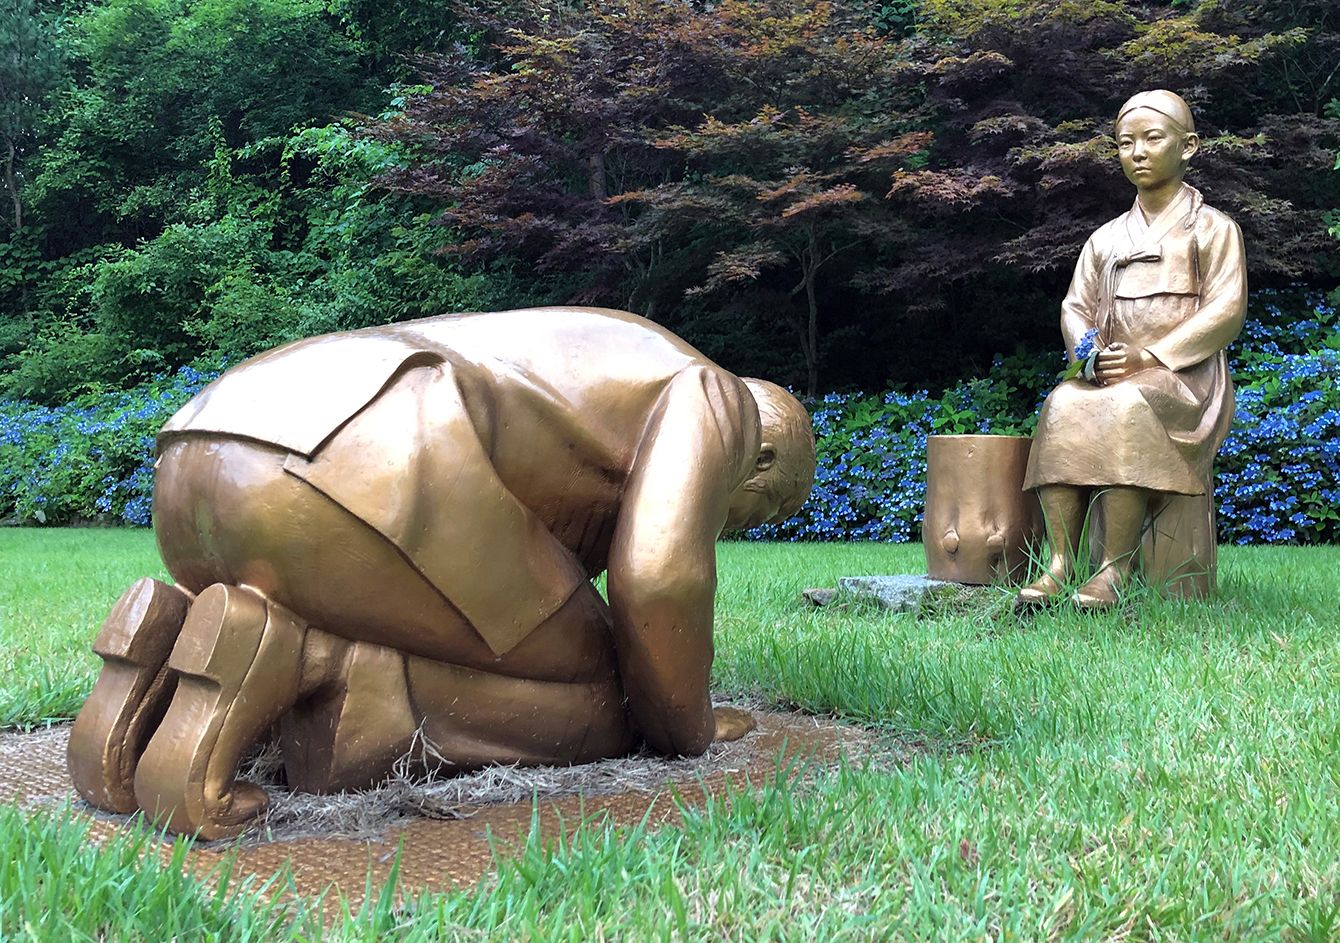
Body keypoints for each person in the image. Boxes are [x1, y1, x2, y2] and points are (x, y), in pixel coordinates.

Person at [68, 306, 815, 838]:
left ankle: (173, 638)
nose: (738, 525)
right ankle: (311, 664)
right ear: (760, 460)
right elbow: (657, 578)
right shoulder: (719, 397)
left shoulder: (605, 353)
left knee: (502, 641)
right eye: (762, 509)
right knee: (610, 693)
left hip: (202, 447)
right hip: (363, 452)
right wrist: (685, 724)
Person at [1015, 90, 1247, 610]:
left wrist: (1151, 356)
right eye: (1125, 143)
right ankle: (1060, 563)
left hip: (1184, 380)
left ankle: (1113, 568)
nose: (1137, 152)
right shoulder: (1105, 239)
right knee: (1063, 403)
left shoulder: (1213, 230)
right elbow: (1075, 307)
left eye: (1152, 138)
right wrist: (1091, 356)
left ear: (1188, 147)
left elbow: (1226, 310)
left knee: (1125, 406)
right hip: (1111, 373)